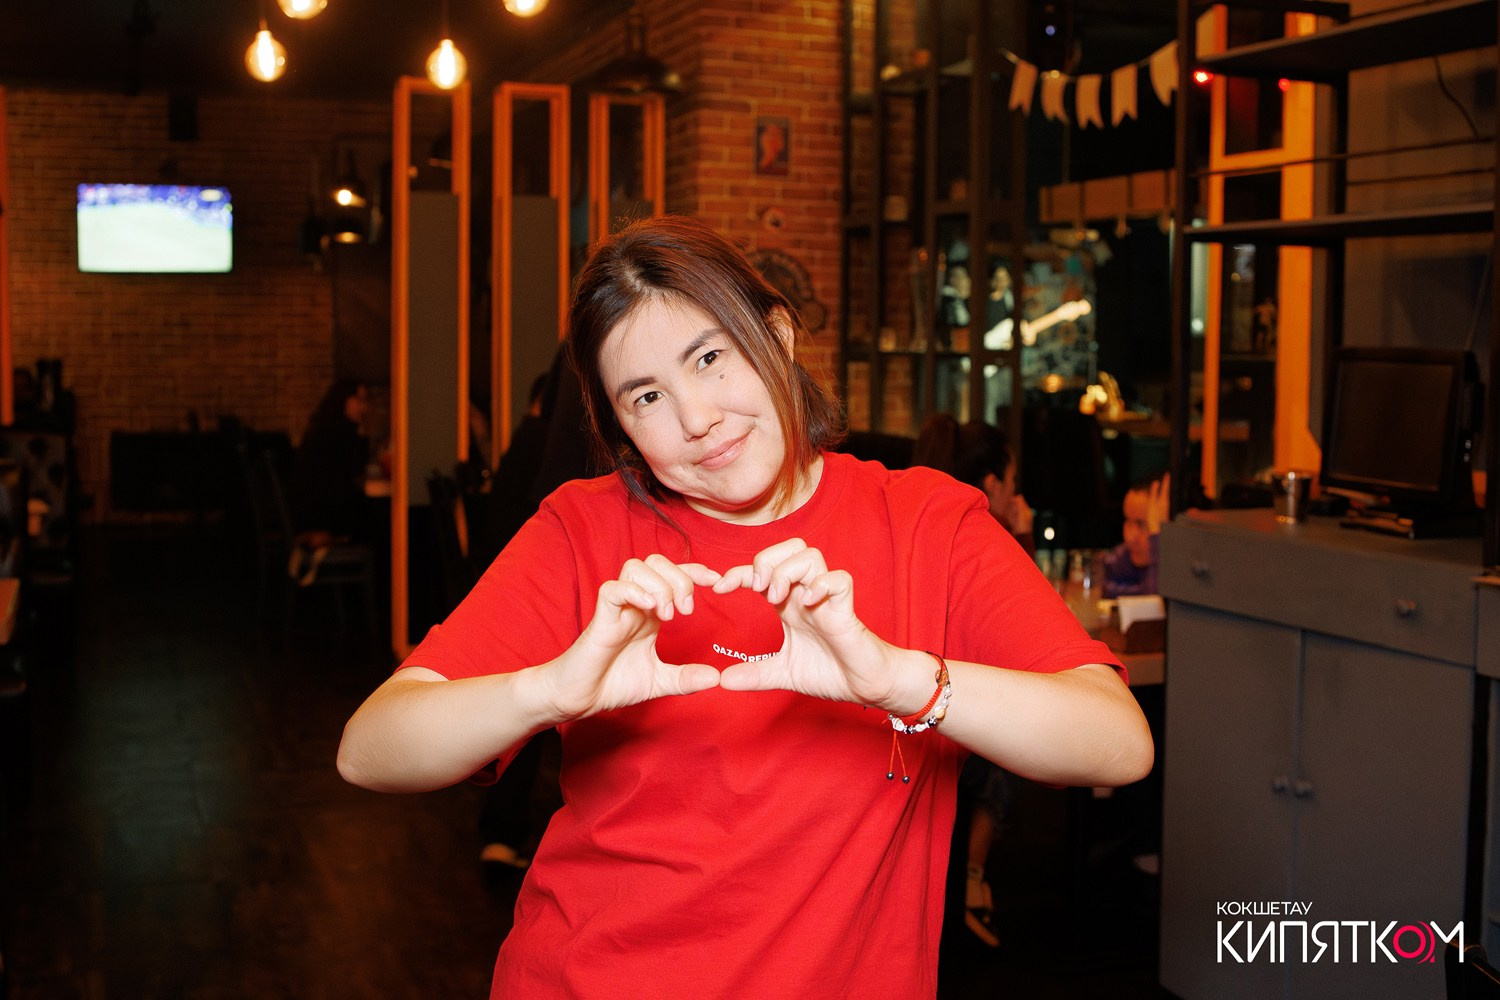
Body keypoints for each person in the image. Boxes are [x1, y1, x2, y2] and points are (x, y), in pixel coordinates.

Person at [337, 215, 1153, 998]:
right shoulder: (583, 532)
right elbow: (369, 750)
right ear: (620, 427)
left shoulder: (926, 525)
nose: (698, 419)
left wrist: (899, 680)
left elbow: (1117, 743)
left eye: (709, 357)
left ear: (778, 335)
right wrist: (548, 690)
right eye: (645, 397)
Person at [910, 413, 1031, 950]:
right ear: (990, 484)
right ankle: (975, 873)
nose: (1016, 493)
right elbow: (1023, 627)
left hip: (914, 716)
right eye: (1012, 481)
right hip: (949, 718)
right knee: (1022, 735)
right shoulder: (982, 537)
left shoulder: (922, 520)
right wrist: (1022, 533)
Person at [287, 379, 371, 553]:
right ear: (342, 400)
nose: (364, 407)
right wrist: (363, 434)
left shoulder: (323, 427)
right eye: (359, 400)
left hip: (310, 514)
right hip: (321, 518)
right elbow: (354, 471)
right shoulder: (336, 433)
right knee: (380, 520)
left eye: (365, 400)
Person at [1102, 469, 1170, 598]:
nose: (1129, 537)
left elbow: (1155, 602)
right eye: (1128, 521)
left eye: (1143, 524)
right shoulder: (1121, 558)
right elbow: (1102, 589)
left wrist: (1158, 541)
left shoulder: (1184, 573)